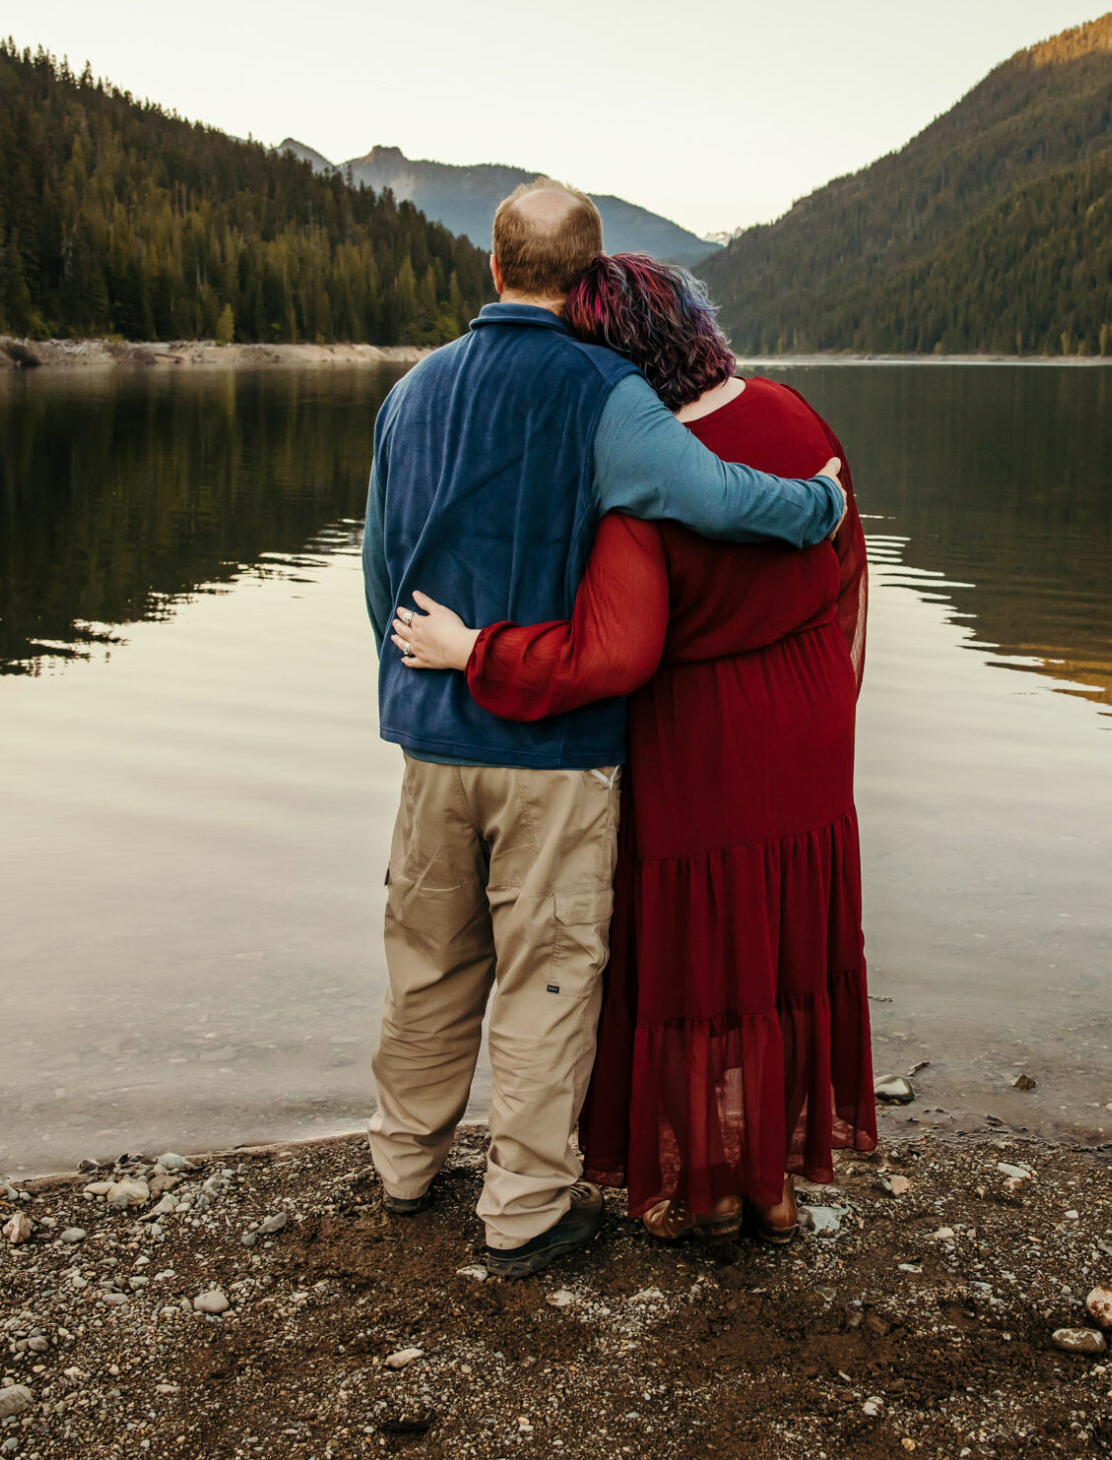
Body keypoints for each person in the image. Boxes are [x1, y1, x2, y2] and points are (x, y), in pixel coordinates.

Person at [361, 183, 846, 1280]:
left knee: (428, 964)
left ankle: (402, 1162)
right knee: (546, 973)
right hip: (552, 750)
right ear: (585, 284)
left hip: (431, 737)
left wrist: (408, 692)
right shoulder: (604, 391)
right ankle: (524, 1208)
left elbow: (378, 568)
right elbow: (716, 497)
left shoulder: (411, 392)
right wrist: (817, 507)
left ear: (493, 269)